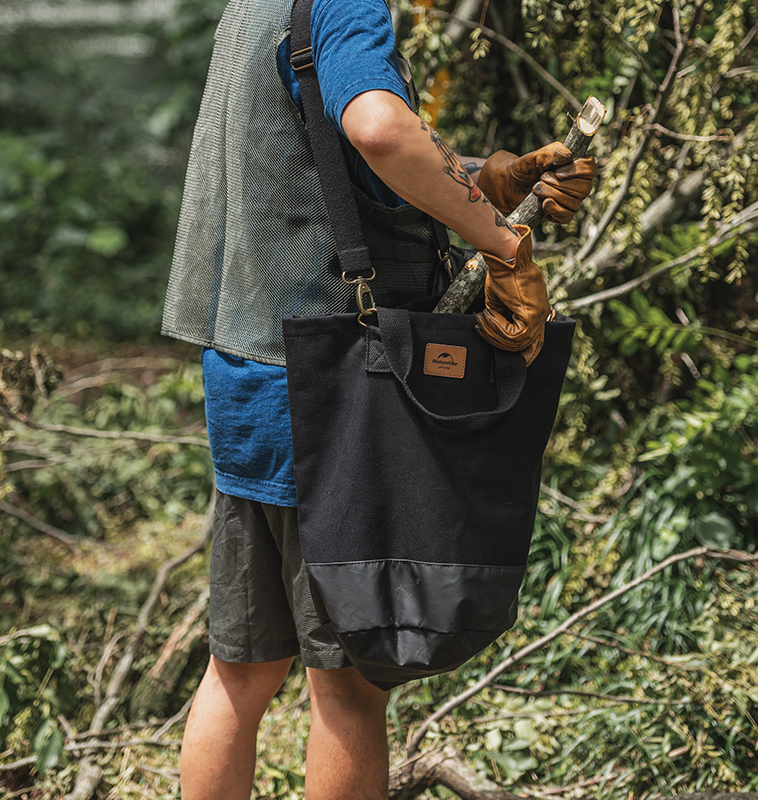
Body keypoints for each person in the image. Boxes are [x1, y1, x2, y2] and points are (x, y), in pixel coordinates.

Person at [161, 0, 596, 797]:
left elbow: (318, 156)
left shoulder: (253, 8)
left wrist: (484, 178)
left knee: (242, 671)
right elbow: (379, 131)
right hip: (330, 397)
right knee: (351, 684)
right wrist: (503, 243)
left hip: (251, 376)